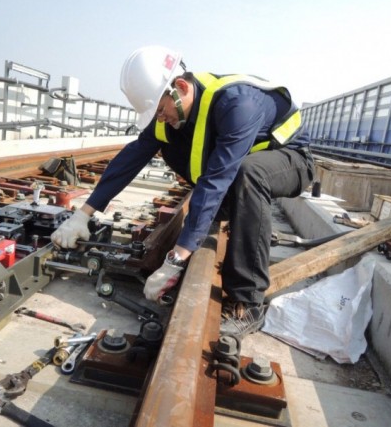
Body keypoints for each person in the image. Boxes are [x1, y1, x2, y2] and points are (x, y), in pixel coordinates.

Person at [51, 45, 314, 338]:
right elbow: (130, 159)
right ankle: (222, 211)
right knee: (173, 147)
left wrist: (176, 259)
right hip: (238, 170)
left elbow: (217, 178)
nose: (160, 118)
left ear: (180, 87)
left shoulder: (238, 104)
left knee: (247, 174)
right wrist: (83, 214)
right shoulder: (173, 114)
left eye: (160, 110)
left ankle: (248, 303)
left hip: (290, 160)